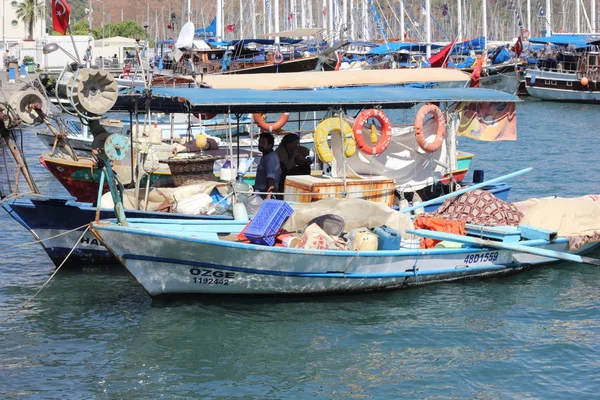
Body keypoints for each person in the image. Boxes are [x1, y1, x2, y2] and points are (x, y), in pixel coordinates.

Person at [254, 132, 281, 198]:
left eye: (263, 143)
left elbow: (271, 178)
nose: (260, 145)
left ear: (270, 145)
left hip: (264, 194)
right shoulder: (268, 155)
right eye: (259, 142)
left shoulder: (270, 158)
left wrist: (268, 196)